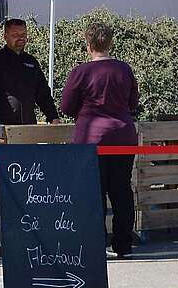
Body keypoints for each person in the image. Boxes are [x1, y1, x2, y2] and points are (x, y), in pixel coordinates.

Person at [59, 22, 139, 258]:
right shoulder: (124, 69)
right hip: (123, 135)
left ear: (88, 44)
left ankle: (96, 243)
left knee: (94, 193)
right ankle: (123, 245)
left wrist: (83, 114)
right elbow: (133, 103)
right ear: (110, 42)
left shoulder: (81, 72)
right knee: (122, 191)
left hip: (91, 138)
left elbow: (65, 106)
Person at [0, 18, 58, 125]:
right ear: (5, 37)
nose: (20, 38)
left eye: (23, 34)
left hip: (28, 127)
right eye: (15, 35)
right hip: (3, 127)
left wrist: (53, 116)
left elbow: (43, 93)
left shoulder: (31, 62)